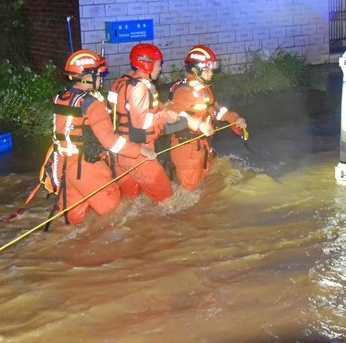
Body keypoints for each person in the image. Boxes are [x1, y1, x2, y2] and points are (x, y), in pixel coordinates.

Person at [48, 49, 150, 225]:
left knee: (75, 222)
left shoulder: (60, 98)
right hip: (87, 169)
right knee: (116, 217)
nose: (100, 79)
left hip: (63, 168)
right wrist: (141, 150)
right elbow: (111, 142)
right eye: (98, 74)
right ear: (86, 76)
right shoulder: (91, 103)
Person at [167, 45, 246, 190]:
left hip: (202, 147)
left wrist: (234, 118)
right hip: (187, 151)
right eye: (207, 70)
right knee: (189, 195)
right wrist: (199, 125)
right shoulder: (185, 91)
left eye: (212, 69)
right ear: (195, 70)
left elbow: (216, 109)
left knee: (205, 188)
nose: (211, 73)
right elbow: (173, 115)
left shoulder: (202, 89)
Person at [108, 43, 174, 203]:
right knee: (168, 201)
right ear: (147, 63)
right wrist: (166, 116)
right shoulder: (139, 87)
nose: (160, 68)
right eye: (159, 64)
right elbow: (140, 122)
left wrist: (162, 107)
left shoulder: (122, 82)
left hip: (121, 152)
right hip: (138, 154)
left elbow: (126, 111)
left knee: (133, 202)